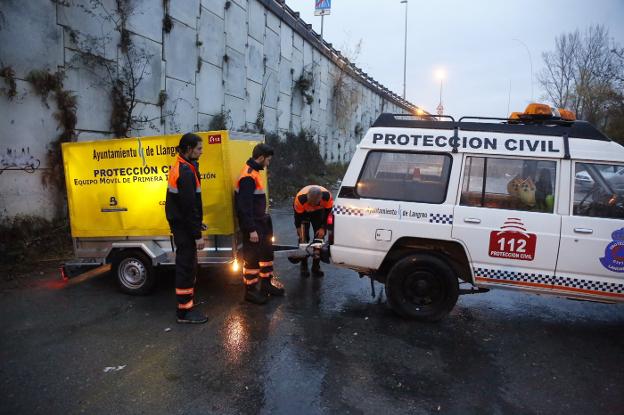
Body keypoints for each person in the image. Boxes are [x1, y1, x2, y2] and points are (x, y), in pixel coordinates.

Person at [165, 133, 208, 324]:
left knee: (188, 267)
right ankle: (184, 312)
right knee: (186, 268)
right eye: (199, 148)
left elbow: (188, 207)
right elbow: (189, 207)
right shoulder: (186, 172)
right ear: (189, 149)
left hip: (183, 226)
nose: (201, 151)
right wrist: (197, 234)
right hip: (184, 229)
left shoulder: (185, 167)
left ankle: (187, 305)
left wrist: (197, 224)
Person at [235, 143, 284, 304]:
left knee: (265, 254)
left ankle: (266, 284)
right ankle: (250, 291)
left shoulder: (255, 172)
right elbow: (244, 207)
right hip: (254, 225)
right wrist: (251, 230)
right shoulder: (248, 176)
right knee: (252, 258)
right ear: (261, 157)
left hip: (261, 222)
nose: (268, 163)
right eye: (268, 160)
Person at [293, 185, 334, 277]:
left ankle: (316, 267)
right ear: (307, 197)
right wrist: (298, 228)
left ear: (320, 199)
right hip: (304, 214)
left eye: (314, 203)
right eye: (310, 202)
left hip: (319, 213)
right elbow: (297, 216)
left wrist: (323, 228)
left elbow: (329, 215)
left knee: (319, 238)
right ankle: (303, 266)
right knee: (303, 238)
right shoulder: (300, 199)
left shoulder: (327, 197)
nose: (311, 205)